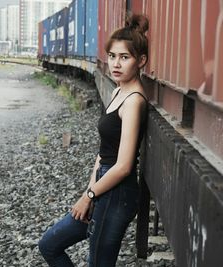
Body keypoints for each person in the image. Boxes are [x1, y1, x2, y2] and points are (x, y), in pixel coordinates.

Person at [38, 13, 149, 267]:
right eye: (112, 56)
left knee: (98, 262)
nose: (116, 64)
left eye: (125, 57)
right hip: (103, 186)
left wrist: (88, 196)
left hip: (118, 193)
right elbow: (103, 152)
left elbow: (123, 165)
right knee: (49, 245)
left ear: (140, 61)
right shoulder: (119, 90)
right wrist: (91, 189)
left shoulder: (133, 101)